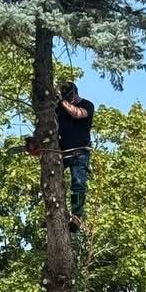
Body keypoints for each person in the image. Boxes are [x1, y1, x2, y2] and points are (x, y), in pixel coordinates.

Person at [56, 81, 94, 233]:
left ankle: (76, 216)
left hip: (79, 152)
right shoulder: (60, 109)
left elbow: (77, 114)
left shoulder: (87, 105)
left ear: (74, 94)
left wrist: (62, 101)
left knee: (78, 184)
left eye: (68, 97)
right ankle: (55, 213)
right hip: (62, 152)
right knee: (52, 181)